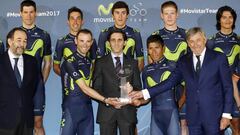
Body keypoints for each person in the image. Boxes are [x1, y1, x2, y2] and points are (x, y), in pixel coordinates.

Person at [130, 27, 233, 135]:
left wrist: (226, 115)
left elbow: (228, 87)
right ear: (188, 43)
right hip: (193, 118)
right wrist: (144, 92)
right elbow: (169, 82)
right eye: (191, 41)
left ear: (204, 40)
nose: (195, 44)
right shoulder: (184, 61)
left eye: (198, 40)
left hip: (214, 117)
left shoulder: (218, 58)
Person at [60, 29, 119, 135]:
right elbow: (84, 88)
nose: (85, 45)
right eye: (82, 41)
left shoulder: (89, 62)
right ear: (76, 41)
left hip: (87, 110)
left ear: (92, 42)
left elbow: (92, 86)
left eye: (88, 41)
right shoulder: (69, 62)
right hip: (71, 109)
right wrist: (105, 100)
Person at [93, 29, 142, 135]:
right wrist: (108, 101)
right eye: (113, 40)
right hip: (107, 112)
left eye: (120, 40)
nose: (116, 43)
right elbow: (96, 87)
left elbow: (138, 87)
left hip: (127, 112)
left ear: (125, 42)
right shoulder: (100, 62)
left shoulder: (133, 63)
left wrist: (132, 90)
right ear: (108, 43)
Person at [152, 1, 188, 134]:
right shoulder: (156, 35)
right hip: (163, 86)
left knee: (183, 123)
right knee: (163, 122)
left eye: (172, 13)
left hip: (183, 85)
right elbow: (152, 61)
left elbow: (192, 63)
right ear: (161, 15)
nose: (169, 16)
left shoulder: (186, 34)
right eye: (166, 13)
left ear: (177, 14)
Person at [20, 1, 52, 134]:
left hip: (37, 87)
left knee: (38, 123)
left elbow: (48, 63)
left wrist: (40, 82)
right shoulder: (14, 35)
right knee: (20, 122)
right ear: (20, 13)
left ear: (36, 13)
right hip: (18, 87)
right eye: (25, 12)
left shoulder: (44, 35)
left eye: (31, 12)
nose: (28, 16)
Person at [207, 6, 240, 135]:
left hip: (236, 87)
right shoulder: (211, 41)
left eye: (230, 17)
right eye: (224, 17)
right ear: (219, 20)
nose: (227, 20)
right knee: (216, 127)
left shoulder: (238, 40)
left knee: (237, 126)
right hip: (217, 90)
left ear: (234, 20)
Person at [0, 27, 39, 135]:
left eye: (25, 41)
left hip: (26, 122)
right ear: (9, 41)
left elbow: (34, 88)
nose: (22, 44)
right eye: (19, 40)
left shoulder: (32, 62)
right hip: (4, 123)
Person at [142, 34, 180, 135]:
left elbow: (186, 89)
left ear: (163, 48)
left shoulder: (174, 66)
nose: (153, 51)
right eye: (150, 48)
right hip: (155, 116)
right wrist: (137, 101)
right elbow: (147, 97)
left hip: (172, 114)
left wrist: (178, 107)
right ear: (147, 50)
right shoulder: (146, 70)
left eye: (157, 48)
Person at [97, 1, 144, 71]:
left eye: (123, 13)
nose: (120, 16)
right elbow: (99, 61)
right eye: (117, 13)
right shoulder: (104, 33)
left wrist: (132, 77)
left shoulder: (135, 33)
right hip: (109, 77)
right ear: (113, 15)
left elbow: (140, 61)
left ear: (127, 15)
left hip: (129, 77)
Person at [53, 6, 98, 76]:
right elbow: (56, 66)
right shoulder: (61, 42)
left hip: (87, 85)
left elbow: (95, 64)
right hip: (69, 86)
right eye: (72, 19)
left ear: (82, 21)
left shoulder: (92, 41)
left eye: (78, 18)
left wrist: (90, 78)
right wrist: (68, 78)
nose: (75, 22)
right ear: (68, 22)